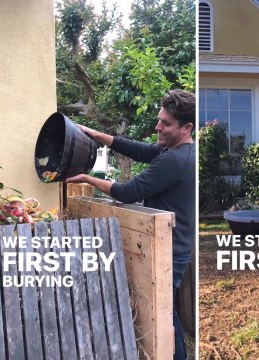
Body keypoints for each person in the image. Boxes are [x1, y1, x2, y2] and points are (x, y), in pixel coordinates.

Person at [66, 89, 195, 360]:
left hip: (169, 250)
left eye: (166, 123)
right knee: (166, 312)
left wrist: (88, 179)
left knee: (164, 316)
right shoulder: (177, 150)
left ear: (187, 128)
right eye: (159, 119)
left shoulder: (175, 160)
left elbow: (127, 192)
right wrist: (100, 135)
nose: (157, 126)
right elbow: (141, 150)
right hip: (173, 245)